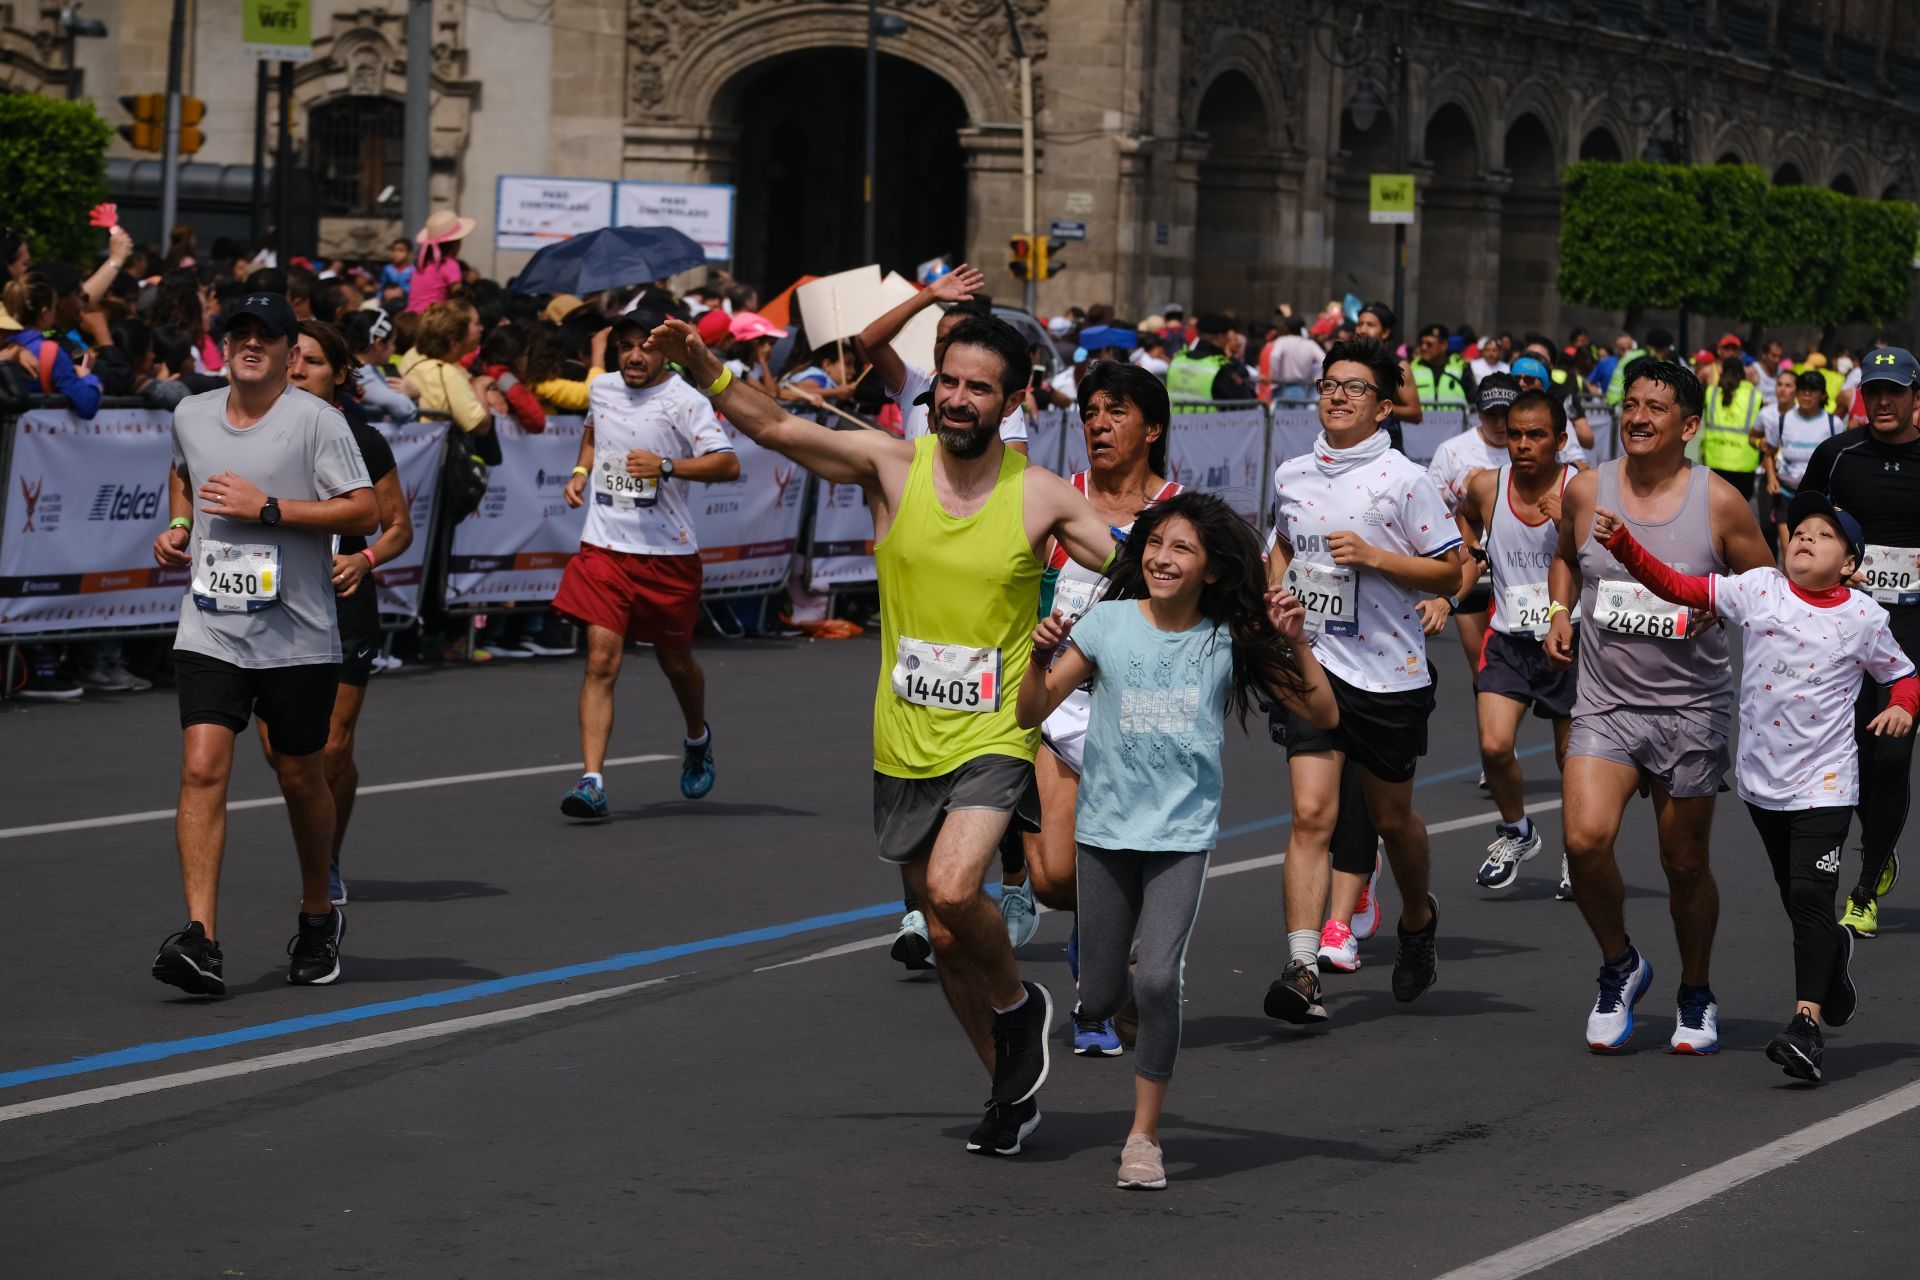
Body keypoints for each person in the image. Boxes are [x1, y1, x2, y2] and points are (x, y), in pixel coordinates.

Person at [646, 310, 1119, 1157]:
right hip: (903, 735)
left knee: (949, 889)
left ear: (1011, 402)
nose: (960, 399)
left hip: (995, 732)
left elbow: (1141, 571)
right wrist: (706, 368)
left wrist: (1235, 607)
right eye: (950, 382)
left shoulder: (1042, 495)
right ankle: (1007, 1089)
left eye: (981, 387)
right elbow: (778, 426)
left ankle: (1019, 1006)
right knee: (942, 934)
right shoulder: (891, 465)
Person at [1017, 492, 1335, 1188]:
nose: (1162, 557)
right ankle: (1125, 1003)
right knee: (1101, 998)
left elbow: (1322, 710)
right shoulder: (1105, 624)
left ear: (1213, 570)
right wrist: (1040, 658)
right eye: (1155, 543)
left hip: (1181, 837)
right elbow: (1031, 711)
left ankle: (1144, 1138)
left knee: (1159, 977)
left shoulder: (1229, 637)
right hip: (1103, 833)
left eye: (1181, 548)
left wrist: (1298, 641)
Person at [1592, 491, 1915, 1081]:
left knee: (1814, 902)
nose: (1805, 538)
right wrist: (1622, 545)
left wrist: (1902, 708)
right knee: (1798, 905)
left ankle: (1806, 1027)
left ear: (1848, 564)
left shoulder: (1863, 618)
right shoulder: (1758, 588)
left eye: (1825, 535)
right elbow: (1680, 586)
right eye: (1801, 530)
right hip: (1763, 784)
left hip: (1826, 784)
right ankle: (1834, 962)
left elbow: (1904, 673)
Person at [148, 291, 378, 996]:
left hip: (298, 633)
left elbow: (364, 508)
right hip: (211, 624)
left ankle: (316, 916)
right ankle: (200, 938)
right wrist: (180, 529)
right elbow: (184, 477)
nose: (250, 344)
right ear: (223, 345)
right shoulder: (190, 412)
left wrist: (268, 508)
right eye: (238, 333)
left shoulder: (317, 421)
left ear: (286, 351)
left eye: (265, 336)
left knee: (300, 774)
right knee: (201, 767)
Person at [1543, 357, 1774, 1053]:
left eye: (1656, 408)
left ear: (1690, 425)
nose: (1638, 417)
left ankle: (1696, 991)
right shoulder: (1587, 489)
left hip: (1691, 706)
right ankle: (1620, 966)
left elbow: (1765, 586)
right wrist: (1560, 608)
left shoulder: (1719, 502)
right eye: (1632, 404)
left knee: (1683, 864)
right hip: (1607, 702)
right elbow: (1564, 553)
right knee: (1583, 840)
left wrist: (1721, 603)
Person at [1263, 337, 1461, 1018]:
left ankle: (1415, 918)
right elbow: (1283, 546)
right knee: (1312, 815)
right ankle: (1302, 965)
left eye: (1354, 387)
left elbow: (1450, 569)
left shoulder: (1406, 479)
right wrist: (1275, 597)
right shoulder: (1292, 474)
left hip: (1389, 675)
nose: (1337, 395)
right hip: (1313, 666)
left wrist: (1376, 557)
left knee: (1391, 818)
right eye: (1328, 384)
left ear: (1382, 408)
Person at [1022, 361, 1181, 1056]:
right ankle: (1099, 938)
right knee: (1056, 876)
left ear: (1152, 428)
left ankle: (1104, 982)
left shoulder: (1179, 512)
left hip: (1146, 717)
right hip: (1060, 705)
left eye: (1115, 411)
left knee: (1130, 865)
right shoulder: (1057, 498)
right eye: (1089, 411)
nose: (1097, 423)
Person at [551, 312, 740, 820]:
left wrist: (667, 465)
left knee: (675, 662)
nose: (635, 356)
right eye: (626, 346)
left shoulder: (686, 400)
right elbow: (592, 433)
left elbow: (729, 463)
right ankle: (591, 781)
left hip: (668, 555)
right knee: (600, 660)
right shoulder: (603, 389)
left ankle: (697, 736)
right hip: (605, 547)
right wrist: (579, 471)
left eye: (646, 348)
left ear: (668, 354)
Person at [260, 320, 415, 905]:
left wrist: (366, 560)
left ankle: (325, 859)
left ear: (341, 375)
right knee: (282, 752)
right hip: (268, 600)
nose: (296, 369)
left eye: (313, 362)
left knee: (331, 747)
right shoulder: (250, 431)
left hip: (341, 601)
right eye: (290, 357)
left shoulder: (363, 439)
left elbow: (399, 527)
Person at [1437, 389, 1582, 898]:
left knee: (1574, 762)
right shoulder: (1485, 486)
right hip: (1509, 639)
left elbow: (1610, 555)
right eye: (1516, 435)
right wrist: (1461, 575)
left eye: (1536, 435)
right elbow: (1464, 527)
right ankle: (1518, 832)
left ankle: (1578, 851)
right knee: (1495, 748)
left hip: (1572, 640)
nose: (1522, 444)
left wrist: (1567, 522)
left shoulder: (1580, 488)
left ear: (1560, 440)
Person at [1800, 346, 1920, 938]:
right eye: (1874, 391)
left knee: (1893, 753)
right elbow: (1802, 524)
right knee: (1849, 754)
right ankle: (1881, 840)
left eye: (1894, 391)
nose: (1883, 401)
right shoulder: (1836, 454)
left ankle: (1867, 886)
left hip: (1914, 628)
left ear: (1916, 398)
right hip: (1844, 624)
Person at [856, 262, 1029, 451]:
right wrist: (928, 295)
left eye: (976, 388)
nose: (955, 402)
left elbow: (1016, 464)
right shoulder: (917, 384)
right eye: (941, 339)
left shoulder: (995, 401)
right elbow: (870, 341)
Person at [1760, 369, 1845, 550]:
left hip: (1820, 499)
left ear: (1822, 395)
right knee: (1790, 549)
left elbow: (1841, 462)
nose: (1807, 394)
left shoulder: (1834, 424)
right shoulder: (1783, 421)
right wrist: (1771, 479)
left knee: (1814, 553)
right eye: (1803, 389)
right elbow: (1769, 452)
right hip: (1787, 495)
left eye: (1813, 390)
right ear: (1797, 392)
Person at [1352, 302, 1421, 449]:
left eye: (1370, 325)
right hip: (1350, 441)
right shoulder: (1347, 360)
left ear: (1385, 332)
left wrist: (1376, 407)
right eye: (1360, 324)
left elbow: (1415, 413)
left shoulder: (1398, 365)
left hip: (1386, 446)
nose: (1363, 329)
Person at [1700, 353, 1764, 498]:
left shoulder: (1711, 392)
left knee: (1713, 512)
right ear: (1743, 373)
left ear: (1722, 372)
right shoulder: (1755, 395)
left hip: (1714, 460)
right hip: (1744, 463)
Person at [341, 309, 418, 423]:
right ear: (378, 343)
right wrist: (414, 394)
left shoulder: (367, 368)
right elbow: (404, 409)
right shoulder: (361, 374)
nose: (394, 348)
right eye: (392, 342)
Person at [1165, 313, 1255, 406]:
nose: (1228, 339)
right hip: (1206, 420)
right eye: (1227, 336)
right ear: (1220, 337)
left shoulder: (1177, 360)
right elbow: (1246, 398)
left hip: (1175, 419)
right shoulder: (1219, 368)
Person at [406, 210, 475, 313]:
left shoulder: (421, 264)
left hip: (411, 317)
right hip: (432, 320)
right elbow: (459, 297)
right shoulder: (449, 264)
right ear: (455, 243)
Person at [1264, 314, 1324, 403]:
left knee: (1280, 416)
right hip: (1302, 388)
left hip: (1283, 387)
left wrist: (1274, 378)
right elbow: (1326, 360)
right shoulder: (1310, 344)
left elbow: (1274, 356)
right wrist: (1318, 377)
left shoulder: (1281, 341)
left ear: (1287, 327)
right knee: (1298, 416)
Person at [1411, 322, 1473, 407]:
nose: (1423, 347)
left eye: (1429, 344)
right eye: (1421, 343)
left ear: (1443, 345)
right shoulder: (1411, 368)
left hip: (1455, 420)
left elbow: (1473, 400)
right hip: (1420, 420)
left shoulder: (1462, 367)